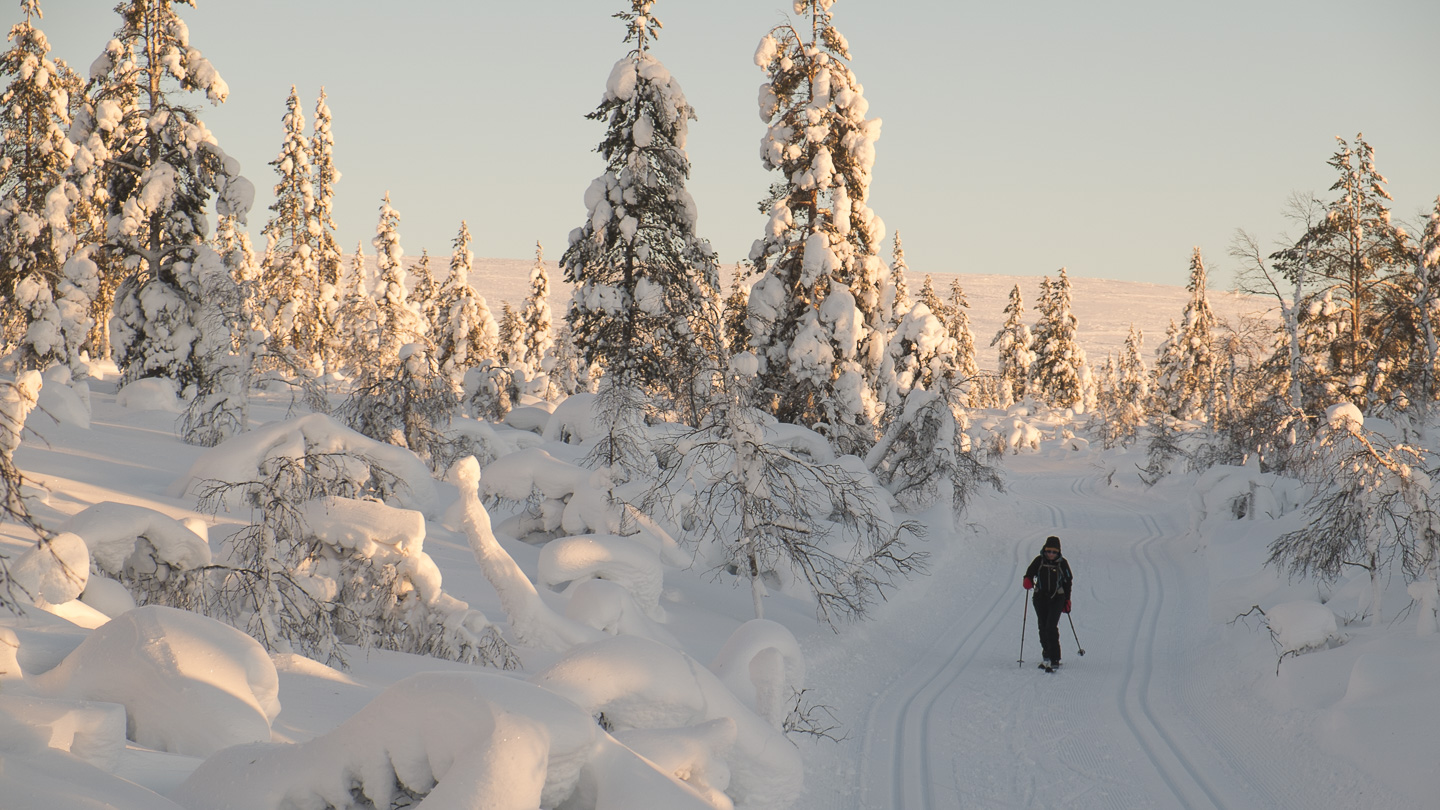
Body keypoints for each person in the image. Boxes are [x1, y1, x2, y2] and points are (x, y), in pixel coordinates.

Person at [1023, 535, 1073, 669]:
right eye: (1048, 551)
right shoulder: (1039, 561)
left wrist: (1067, 600)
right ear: (1044, 550)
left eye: (1054, 552)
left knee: (1051, 626)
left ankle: (1055, 657)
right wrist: (1027, 580)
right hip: (1040, 598)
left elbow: (1068, 581)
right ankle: (1046, 653)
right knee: (1043, 626)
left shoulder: (1062, 563)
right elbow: (1029, 573)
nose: (1051, 554)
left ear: (1058, 552)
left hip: (1057, 598)